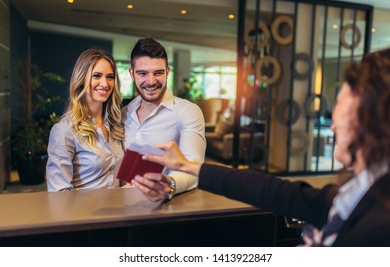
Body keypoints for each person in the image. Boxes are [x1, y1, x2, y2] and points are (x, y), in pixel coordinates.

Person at [141, 48, 390, 246]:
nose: (333, 125)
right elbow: (279, 192)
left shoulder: (378, 228)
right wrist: (188, 166)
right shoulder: (360, 188)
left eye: (342, 108)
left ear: (373, 121)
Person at [122, 37, 206, 202]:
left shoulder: (187, 111)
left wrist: (169, 185)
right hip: (121, 205)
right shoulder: (124, 112)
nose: (151, 81)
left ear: (167, 72)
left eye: (158, 73)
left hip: (164, 209)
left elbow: (193, 164)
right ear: (132, 74)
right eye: (143, 73)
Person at [46, 48, 125, 191]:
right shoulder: (64, 130)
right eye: (97, 76)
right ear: (81, 78)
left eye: (110, 77)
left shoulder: (116, 125)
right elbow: (58, 194)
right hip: (84, 213)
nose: (105, 84)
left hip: (118, 211)